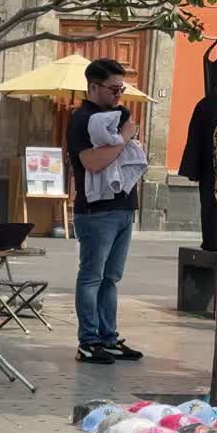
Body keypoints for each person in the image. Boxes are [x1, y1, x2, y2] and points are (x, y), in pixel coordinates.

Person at [67, 58, 143, 365]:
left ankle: (109, 338)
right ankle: (89, 341)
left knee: (111, 278)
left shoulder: (119, 114)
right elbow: (93, 163)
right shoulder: (81, 119)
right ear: (93, 87)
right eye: (113, 89)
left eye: (121, 88)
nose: (118, 95)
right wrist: (124, 138)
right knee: (92, 277)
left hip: (124, 205)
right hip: (96, 211)